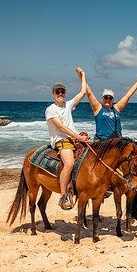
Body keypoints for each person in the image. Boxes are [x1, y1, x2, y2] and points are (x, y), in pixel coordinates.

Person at [45, 67, 90, 210]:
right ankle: (63, 195)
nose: (60, 94)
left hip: (74, 140)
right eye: (57, 92)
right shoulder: (51, 109)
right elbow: (61, 128)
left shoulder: (68, 105)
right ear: (53, 94)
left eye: (62, 92)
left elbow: (83, 92)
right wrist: (78, 137)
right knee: (69, 163)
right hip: (61, 140)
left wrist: (82, 75)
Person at [85, 73, 137, 141]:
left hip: (116, 141)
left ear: (113, 100)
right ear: (102, 98)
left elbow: (128, 96)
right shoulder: (98, 108)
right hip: (101, 142)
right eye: (105, 97)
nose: (108, 100)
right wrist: (82, 76)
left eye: (110, 98)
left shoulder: (116, 108)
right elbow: (89, 93)